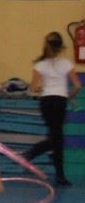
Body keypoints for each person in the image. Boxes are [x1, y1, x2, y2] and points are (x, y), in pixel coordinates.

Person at [22, 32, 81, 186]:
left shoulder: (40, 65)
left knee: (56, 137)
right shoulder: (66, 64)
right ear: (61, 47)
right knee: (57, 137)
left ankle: (34, 155)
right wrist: (68, 96)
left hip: (47, 102)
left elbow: (33, 88)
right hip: (60, 102)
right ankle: (36, 155)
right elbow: (77, 86)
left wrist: (44, 88)